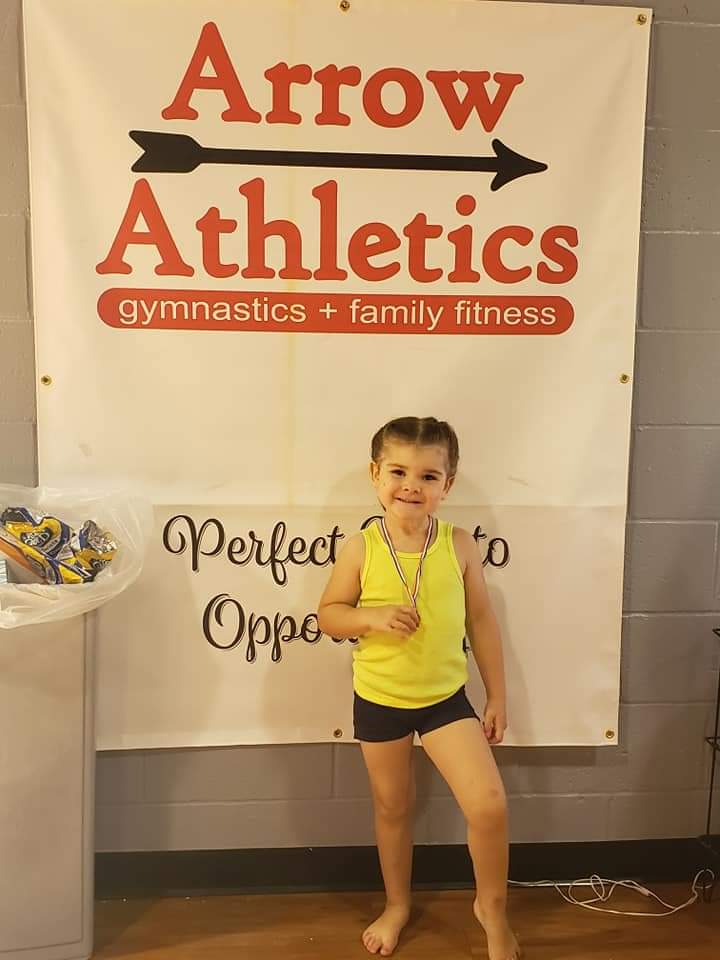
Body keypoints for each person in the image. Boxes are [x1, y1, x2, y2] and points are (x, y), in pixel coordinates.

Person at [317, 416, 520, 959]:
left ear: (446, 485)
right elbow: (329, 615)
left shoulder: (459, 545)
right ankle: (397, 905)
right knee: (393, 808)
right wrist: (371, 616)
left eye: (428, 476)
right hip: (380, 701)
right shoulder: (361, 548)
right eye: (398, 472)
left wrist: (498, 695)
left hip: (444, 702)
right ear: (375, 475)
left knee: (489, 806)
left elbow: (482, 621)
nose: (411, 486)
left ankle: (492, 910)